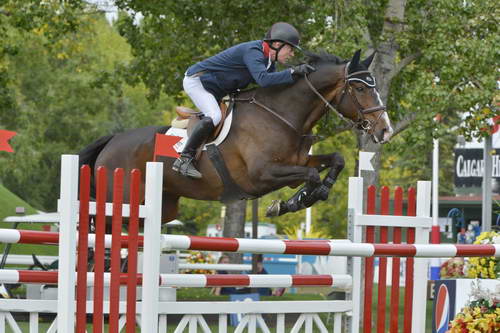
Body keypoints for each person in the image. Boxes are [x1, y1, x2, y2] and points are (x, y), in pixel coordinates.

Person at [172, 22, 316, 178]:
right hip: (198, 82)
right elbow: (263, 80)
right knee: (214, 116)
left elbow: (271, 88)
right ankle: (184, 159)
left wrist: (301, 79)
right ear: (277, 44)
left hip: (219, 87)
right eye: (291, 49)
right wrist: (293, 72)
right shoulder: (253, 52)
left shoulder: (269, 62)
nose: (292, 54)